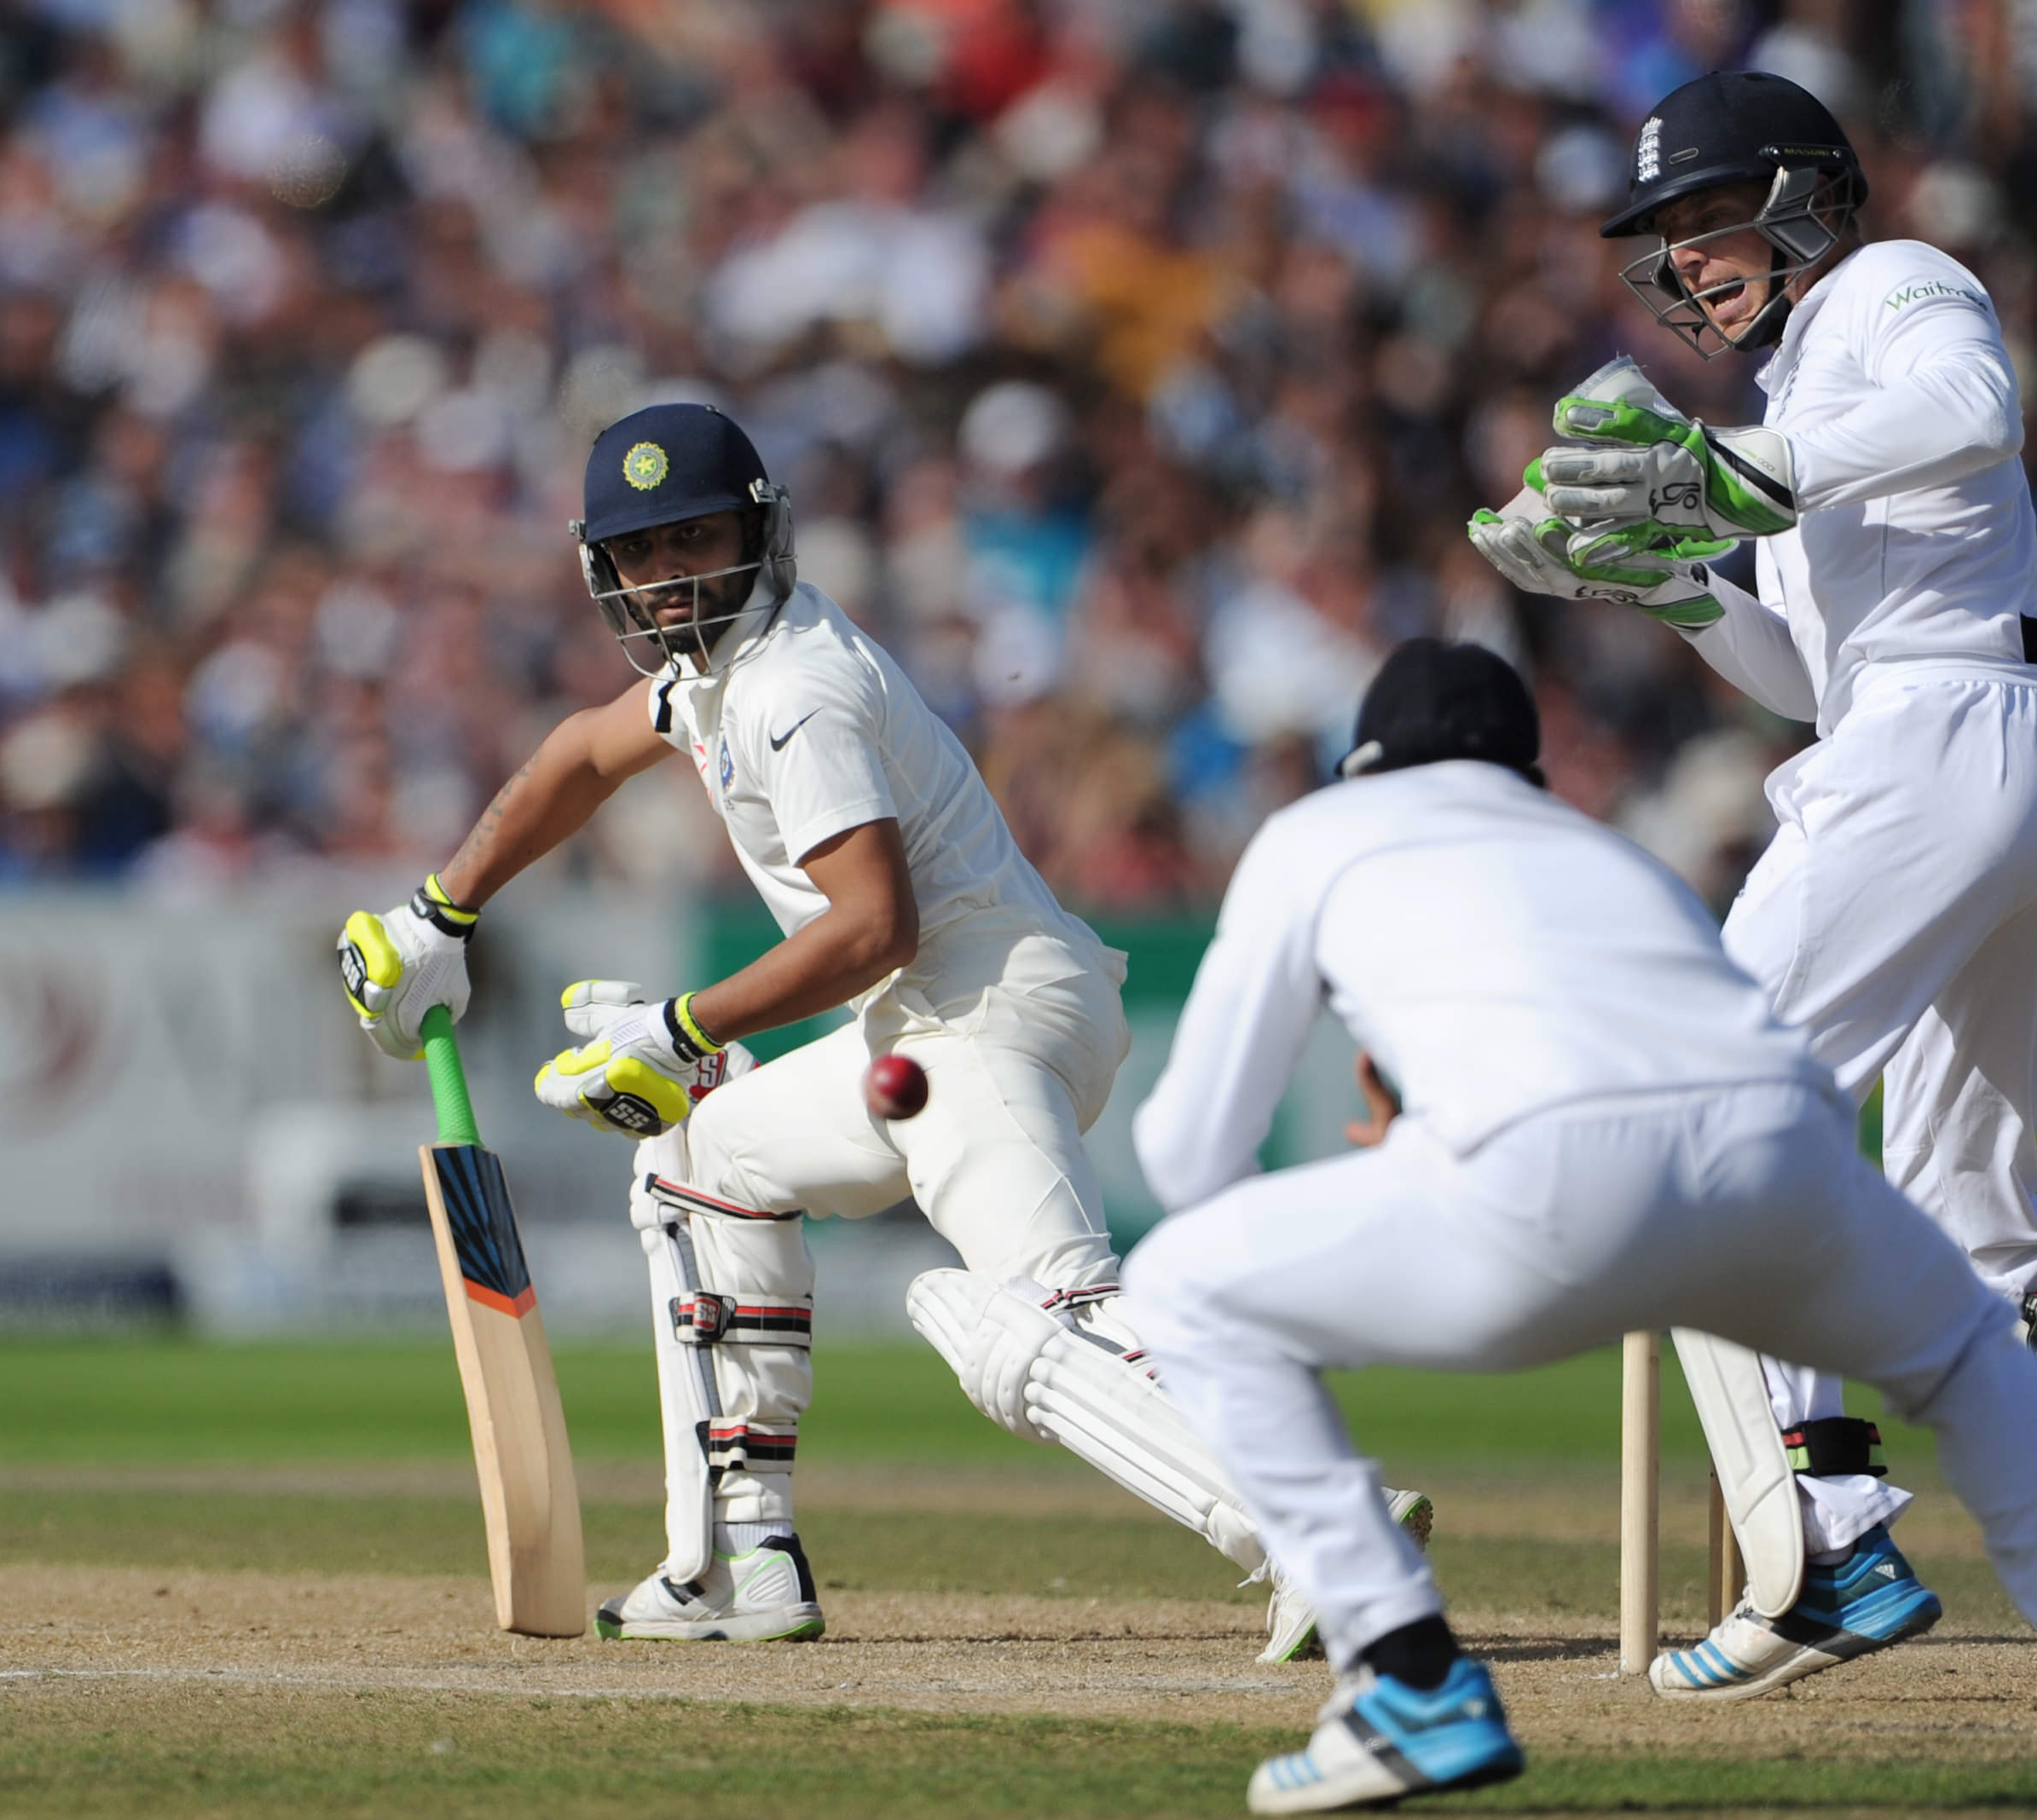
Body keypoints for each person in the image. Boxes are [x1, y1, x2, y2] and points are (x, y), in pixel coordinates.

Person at [1473, 68, 2037, 1701]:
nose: (1684, 258)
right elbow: (1814, 678)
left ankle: (1824, 1543)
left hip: (1954, 734)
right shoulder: (1798, 393)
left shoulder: (1893, 283)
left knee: (1707, 1102)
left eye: (1708, 216)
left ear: (1802, 195)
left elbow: (1974, 410)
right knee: (1968, 1201)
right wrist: (1666, 578)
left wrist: (1727, 474)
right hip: (1999, 741)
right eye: (1665, 234)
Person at [336, 402, 1420, 1651]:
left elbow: (872, 927)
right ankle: (740, 1561)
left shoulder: (792, 689)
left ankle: (1328, 1532)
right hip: (929, 1024)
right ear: (603, 569)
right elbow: (582, 755)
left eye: (694, 539)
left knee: (1048, 1318)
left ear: (757, 536)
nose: (669, 574)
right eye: (640, 552)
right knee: (700, 1161)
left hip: (984, 1013)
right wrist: (441, 912)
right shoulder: (708, 676)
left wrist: (682, 1028)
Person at [1125, 638, 2037, 1817]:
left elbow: (1190, 1154)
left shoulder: (1314, 835)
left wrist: (1376, 1211)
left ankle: (1409, 1678)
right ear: (1527, 770)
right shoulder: (1606, 851)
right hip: (1783, 1160)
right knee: (1978, 1363)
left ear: (1365, 766)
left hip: (1534, 1193)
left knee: (1181, 1286)